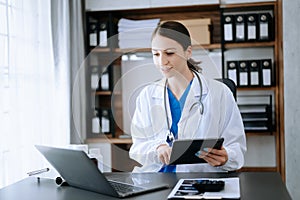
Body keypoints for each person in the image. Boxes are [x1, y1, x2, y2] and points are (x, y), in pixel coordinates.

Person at [129, 21, 246, 173]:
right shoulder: (147, 96)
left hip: (199, 181)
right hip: (157, 180)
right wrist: (157, 148)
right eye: (156, 54)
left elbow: (236, 149)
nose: (162, 62)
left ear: (188, 52)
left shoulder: (220, 93)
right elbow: (137, 147)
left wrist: (226, 157)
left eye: (169, 53)